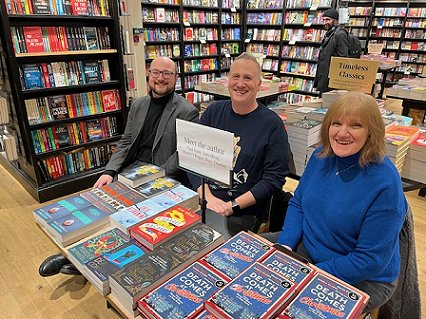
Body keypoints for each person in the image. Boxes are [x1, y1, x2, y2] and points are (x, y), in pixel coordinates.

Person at [39, 56, 199, 277]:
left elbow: (182, 154)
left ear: (175, 78)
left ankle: (89, 262)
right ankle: (75, 255)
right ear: (149, 75)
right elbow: (126, 140)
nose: (160, 78)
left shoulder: (187, 111)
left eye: (167, 74)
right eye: (156, 72)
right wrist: (109, 171)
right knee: (98, 207)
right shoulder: (138, 104)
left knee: (125, 220)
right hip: (130, 172)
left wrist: (155, 179)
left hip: (160, 177)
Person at [265, 92, 407, 314]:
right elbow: (299, 204)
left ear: (372, 132)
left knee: (291, 309)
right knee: (245, 262)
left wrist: (310, 273)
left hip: (363, 277)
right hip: (309, 248)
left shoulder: (385, 182)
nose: (342, 133)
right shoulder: (321, 155)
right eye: (336, 123)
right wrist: (285, 244)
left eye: (356, 125)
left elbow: (370, 260)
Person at [189, 52, 289, 236]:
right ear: (228, 81)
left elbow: (273, 180)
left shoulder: (272, 124)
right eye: (236, 76)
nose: (240, 84)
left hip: (243, 211)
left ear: (259, 85)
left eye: (248, 78)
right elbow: (193, 158)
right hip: (205, 200)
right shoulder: (213, 112)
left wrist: (230, 206)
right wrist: (208, 198)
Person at [314, 8, 349, 96]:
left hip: (332, 80)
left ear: (336, 20)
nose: (325, 22)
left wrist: (336, 79)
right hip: (325, 76)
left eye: (328, 20)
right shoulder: (329, 34)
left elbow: (343, 58)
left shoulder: (340, 34)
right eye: (323, 20)